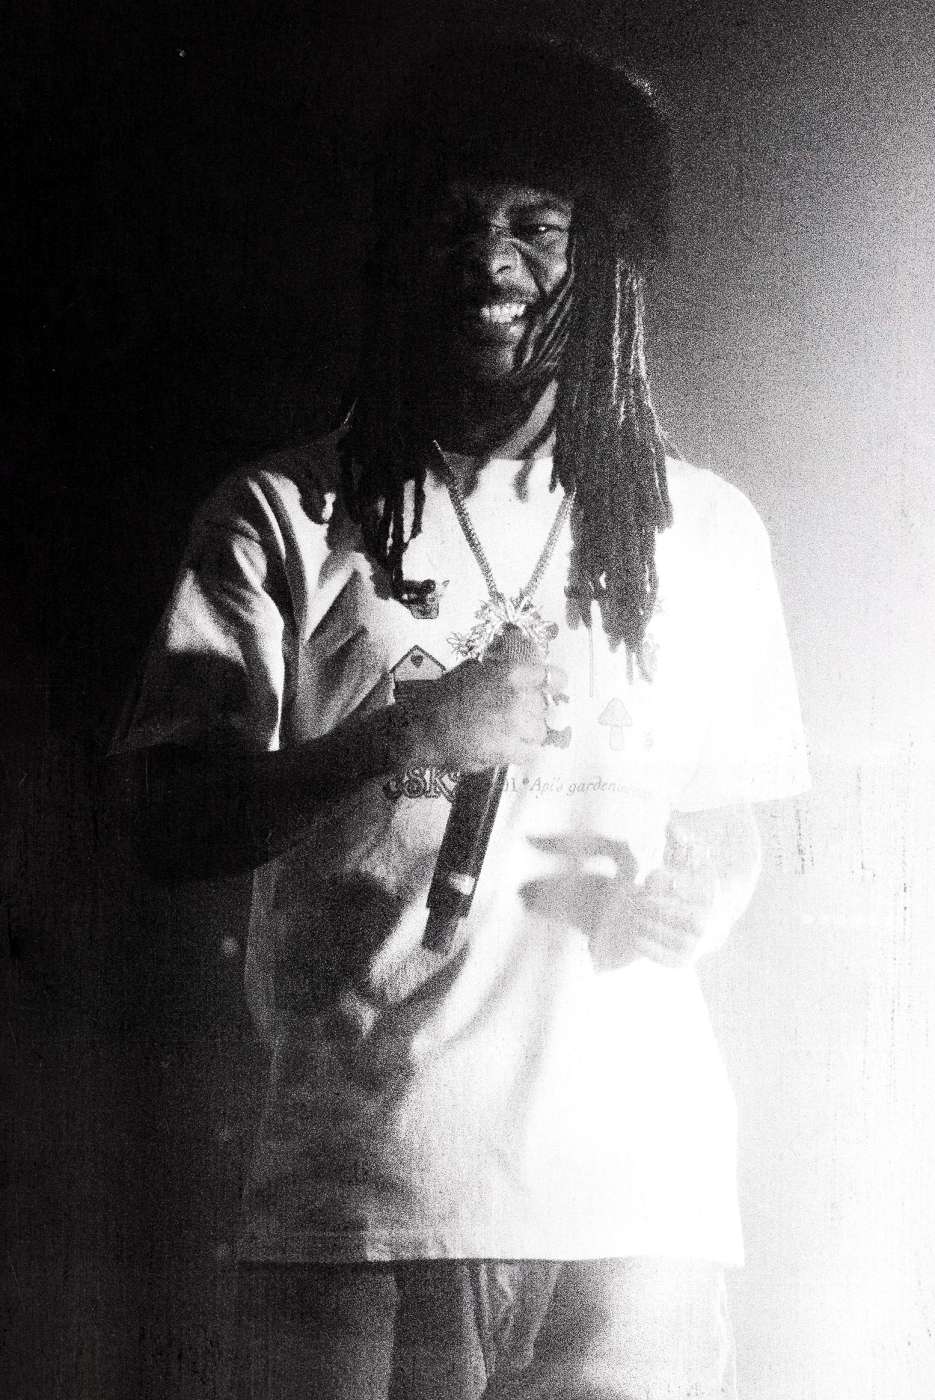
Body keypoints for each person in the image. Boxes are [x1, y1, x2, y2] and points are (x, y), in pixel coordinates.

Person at [114, 34, 809, 1400]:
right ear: (399, 253)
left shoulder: (708, 528)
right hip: (368, 1197)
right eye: (455, 224)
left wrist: (705, 889)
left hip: (637, 1210)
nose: (492, 262)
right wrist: (403, 737)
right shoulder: (285, 514)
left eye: (538, 225)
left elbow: (742, 820)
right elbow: (162, 818)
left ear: (607, 258)